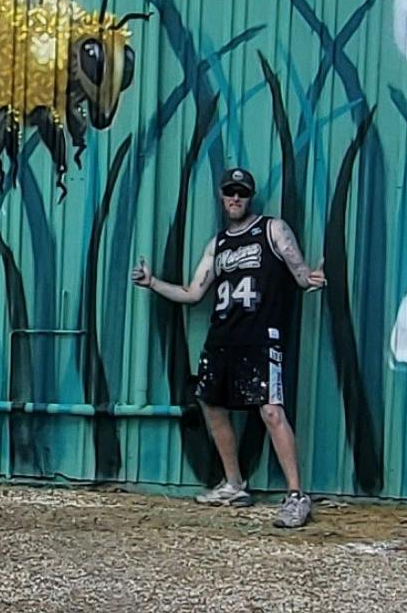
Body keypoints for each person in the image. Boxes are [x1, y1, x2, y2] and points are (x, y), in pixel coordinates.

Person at [130, 165, 325, 529]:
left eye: (242, 192)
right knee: (212, 404)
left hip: (260, 338)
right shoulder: (217, 244)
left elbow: (301, 276)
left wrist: (312, 279)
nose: (235, 197)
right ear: (222, 196)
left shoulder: (272, 229)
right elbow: (193, 293)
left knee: (271, 411)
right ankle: (234, 484)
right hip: (222, 339)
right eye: (230, 192)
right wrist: (152, 282)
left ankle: (297, 495)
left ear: (250, 198)